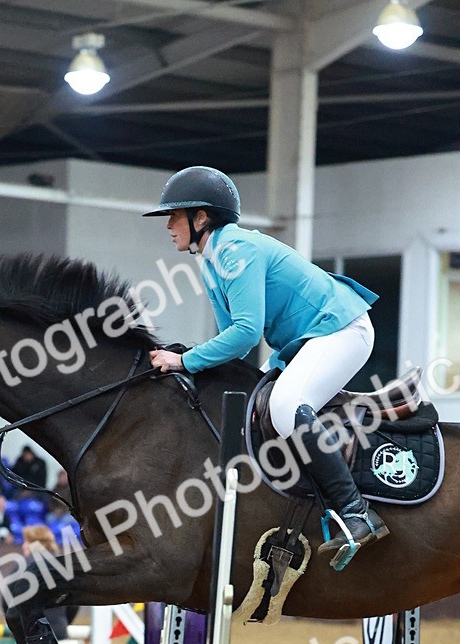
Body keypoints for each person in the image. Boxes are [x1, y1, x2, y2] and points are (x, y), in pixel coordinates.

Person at [144, 165, 388, 569]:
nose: (168, 225)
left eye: (174, 215)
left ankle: (356, 513)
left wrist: (184, 360)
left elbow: (244, 333)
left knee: (287, 407)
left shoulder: (236, 250)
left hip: (342, 329)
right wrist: (187, 360)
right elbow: (234, 347)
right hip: (308, 341)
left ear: (200, 217)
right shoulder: (211, 261)